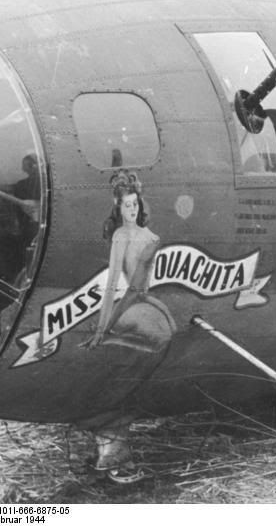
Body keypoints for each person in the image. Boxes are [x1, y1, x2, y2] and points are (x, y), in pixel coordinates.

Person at [78, 169, 176, 481]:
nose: (131, 210)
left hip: (139, 307)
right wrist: (104, 325)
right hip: (138, 308)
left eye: (134, 205)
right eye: (126, 206)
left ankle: (114, 443)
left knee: (127, 354)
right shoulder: (125, 236)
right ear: (118, 209)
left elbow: (134, 288)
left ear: (139, 205)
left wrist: (105, 327)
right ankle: (113, 444)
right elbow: (113, 287)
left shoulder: (148, 238)